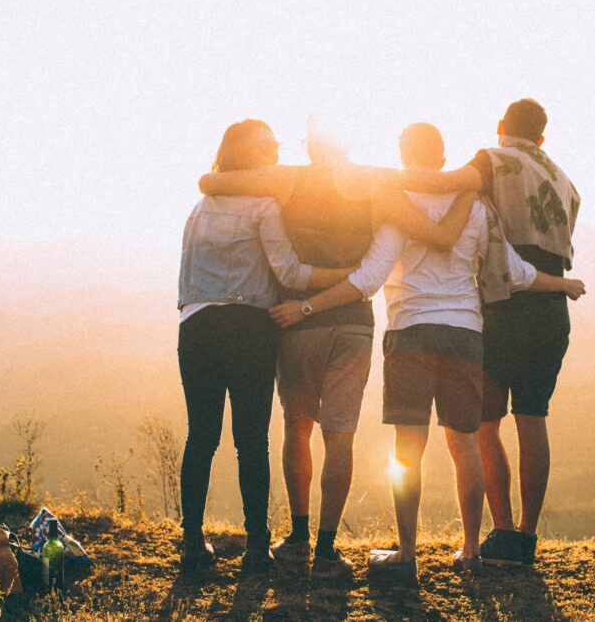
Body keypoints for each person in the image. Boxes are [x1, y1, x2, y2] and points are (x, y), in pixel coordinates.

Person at [269, 123, 585, 577]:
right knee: (465, 445)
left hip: (411, 331)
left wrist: (307, 306)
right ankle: (472, 551)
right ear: (442, 159)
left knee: (408, 449)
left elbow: (369, 278)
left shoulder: (397, 203)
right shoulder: (476, 206)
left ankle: (407, 555)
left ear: (402, 155)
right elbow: (515, 272)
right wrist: (563, 284)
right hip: (465, 335)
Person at [196, 120, 475, 578]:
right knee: (339, 435)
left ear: (310, 146)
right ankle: (327, 549)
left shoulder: (288, 178)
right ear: (350, 142)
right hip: (353, 324)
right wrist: (470, 186)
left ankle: (298, 536)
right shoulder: (376, 182)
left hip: (296, 323)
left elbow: (212, 181)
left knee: (297, 426)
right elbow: (433, 220)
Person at [383, 99, 581, 567]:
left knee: (482, 425)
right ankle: (525, 540)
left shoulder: (492, 161)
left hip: (504, 304)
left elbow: (443, 183)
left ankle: (501, 533)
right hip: (550, 306)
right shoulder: (566, 181)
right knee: (533, 419)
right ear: (542, 137)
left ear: (500, 127)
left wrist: (375, 180)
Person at [176, 119, 355, 574]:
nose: (276, 149)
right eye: (267, 145)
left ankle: (192, 543)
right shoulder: (263, 205)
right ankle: (257, 547)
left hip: (196, 326)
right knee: (250, 441)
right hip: (248, 329)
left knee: (201, 437)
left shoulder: (200, 207)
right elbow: (290, 274)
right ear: (247, 154)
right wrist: (348, 276)